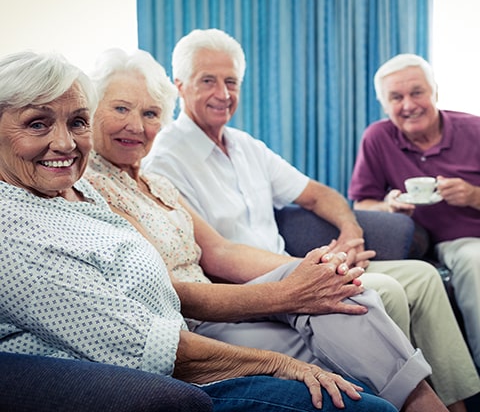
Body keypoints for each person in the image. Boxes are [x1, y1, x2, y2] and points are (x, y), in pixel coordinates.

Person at [0, 50, 401, 412]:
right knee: (359, 322)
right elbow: (182, 298)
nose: (64, 142)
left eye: (151, 113)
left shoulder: (97, 185)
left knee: (355, 298)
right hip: (170, 355)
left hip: (197, 321)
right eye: (37, 124)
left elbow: (218, 248)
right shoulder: (71, 192)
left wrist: (321, 266)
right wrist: (292, 294)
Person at [141, 29, 480, 411]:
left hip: (292, 268)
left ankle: (458, 402)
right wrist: (318, 269)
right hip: (255, 285)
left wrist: (350, 232)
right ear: (180, 86)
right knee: (383, 288)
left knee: (424, 278)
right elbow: (217, 255)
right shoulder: (165, 160)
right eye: (208, 81)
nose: (223, 93)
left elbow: (320, 194)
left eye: (231, 81)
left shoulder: (246, 146)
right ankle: (400, 403)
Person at [348, 53, 480, 371]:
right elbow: (361, 204)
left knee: (475, 260)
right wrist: (389, 206)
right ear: (385, 105)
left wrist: (474, 195)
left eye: (417, 92)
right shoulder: (377, 137)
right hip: (412, 244)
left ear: (434, 91)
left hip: (468, 237)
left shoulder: (474, 129)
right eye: (397, 97)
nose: (409, 105)